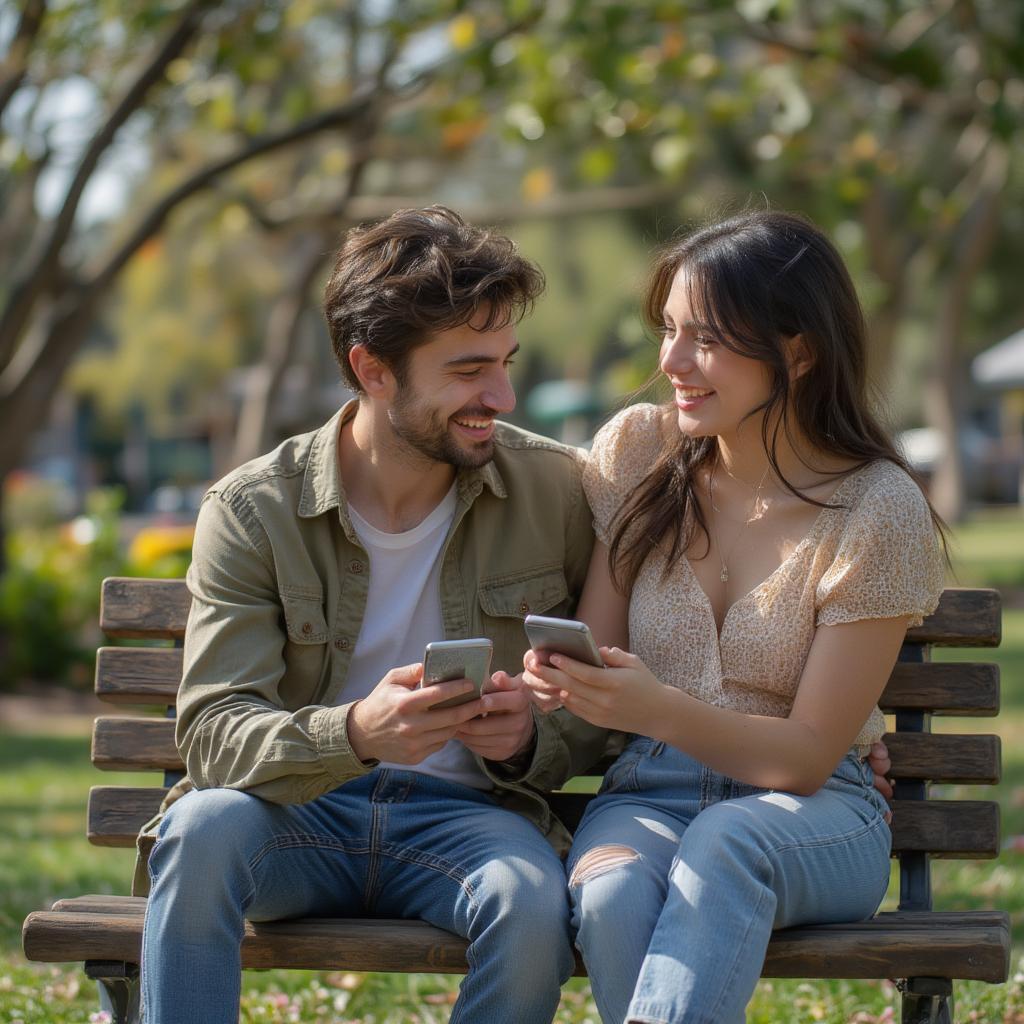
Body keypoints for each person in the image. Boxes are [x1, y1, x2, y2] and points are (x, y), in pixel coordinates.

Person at [139, 206, 608, 1024]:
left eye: (505, 363)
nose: (499, 395)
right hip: (293, 812)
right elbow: (214, 730)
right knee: (202, 831)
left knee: (530, 901)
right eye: (468, 370)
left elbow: (606, 709)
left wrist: (531, 737)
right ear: (372, 369)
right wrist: (355, 733)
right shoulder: (255, 510)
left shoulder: (557, 491)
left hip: (467, 821)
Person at [522, 210, 946, 1024]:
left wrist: (656, 707)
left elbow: (806, 762)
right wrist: (564, 680)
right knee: (608, 894)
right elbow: (598, 647)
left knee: (727, 844)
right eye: (670, 330)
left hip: (815, 820)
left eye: (707, 339)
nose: (673, 362)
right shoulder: (640, 453)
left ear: (799, 350)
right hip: (646, 795)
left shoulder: (876, 507)